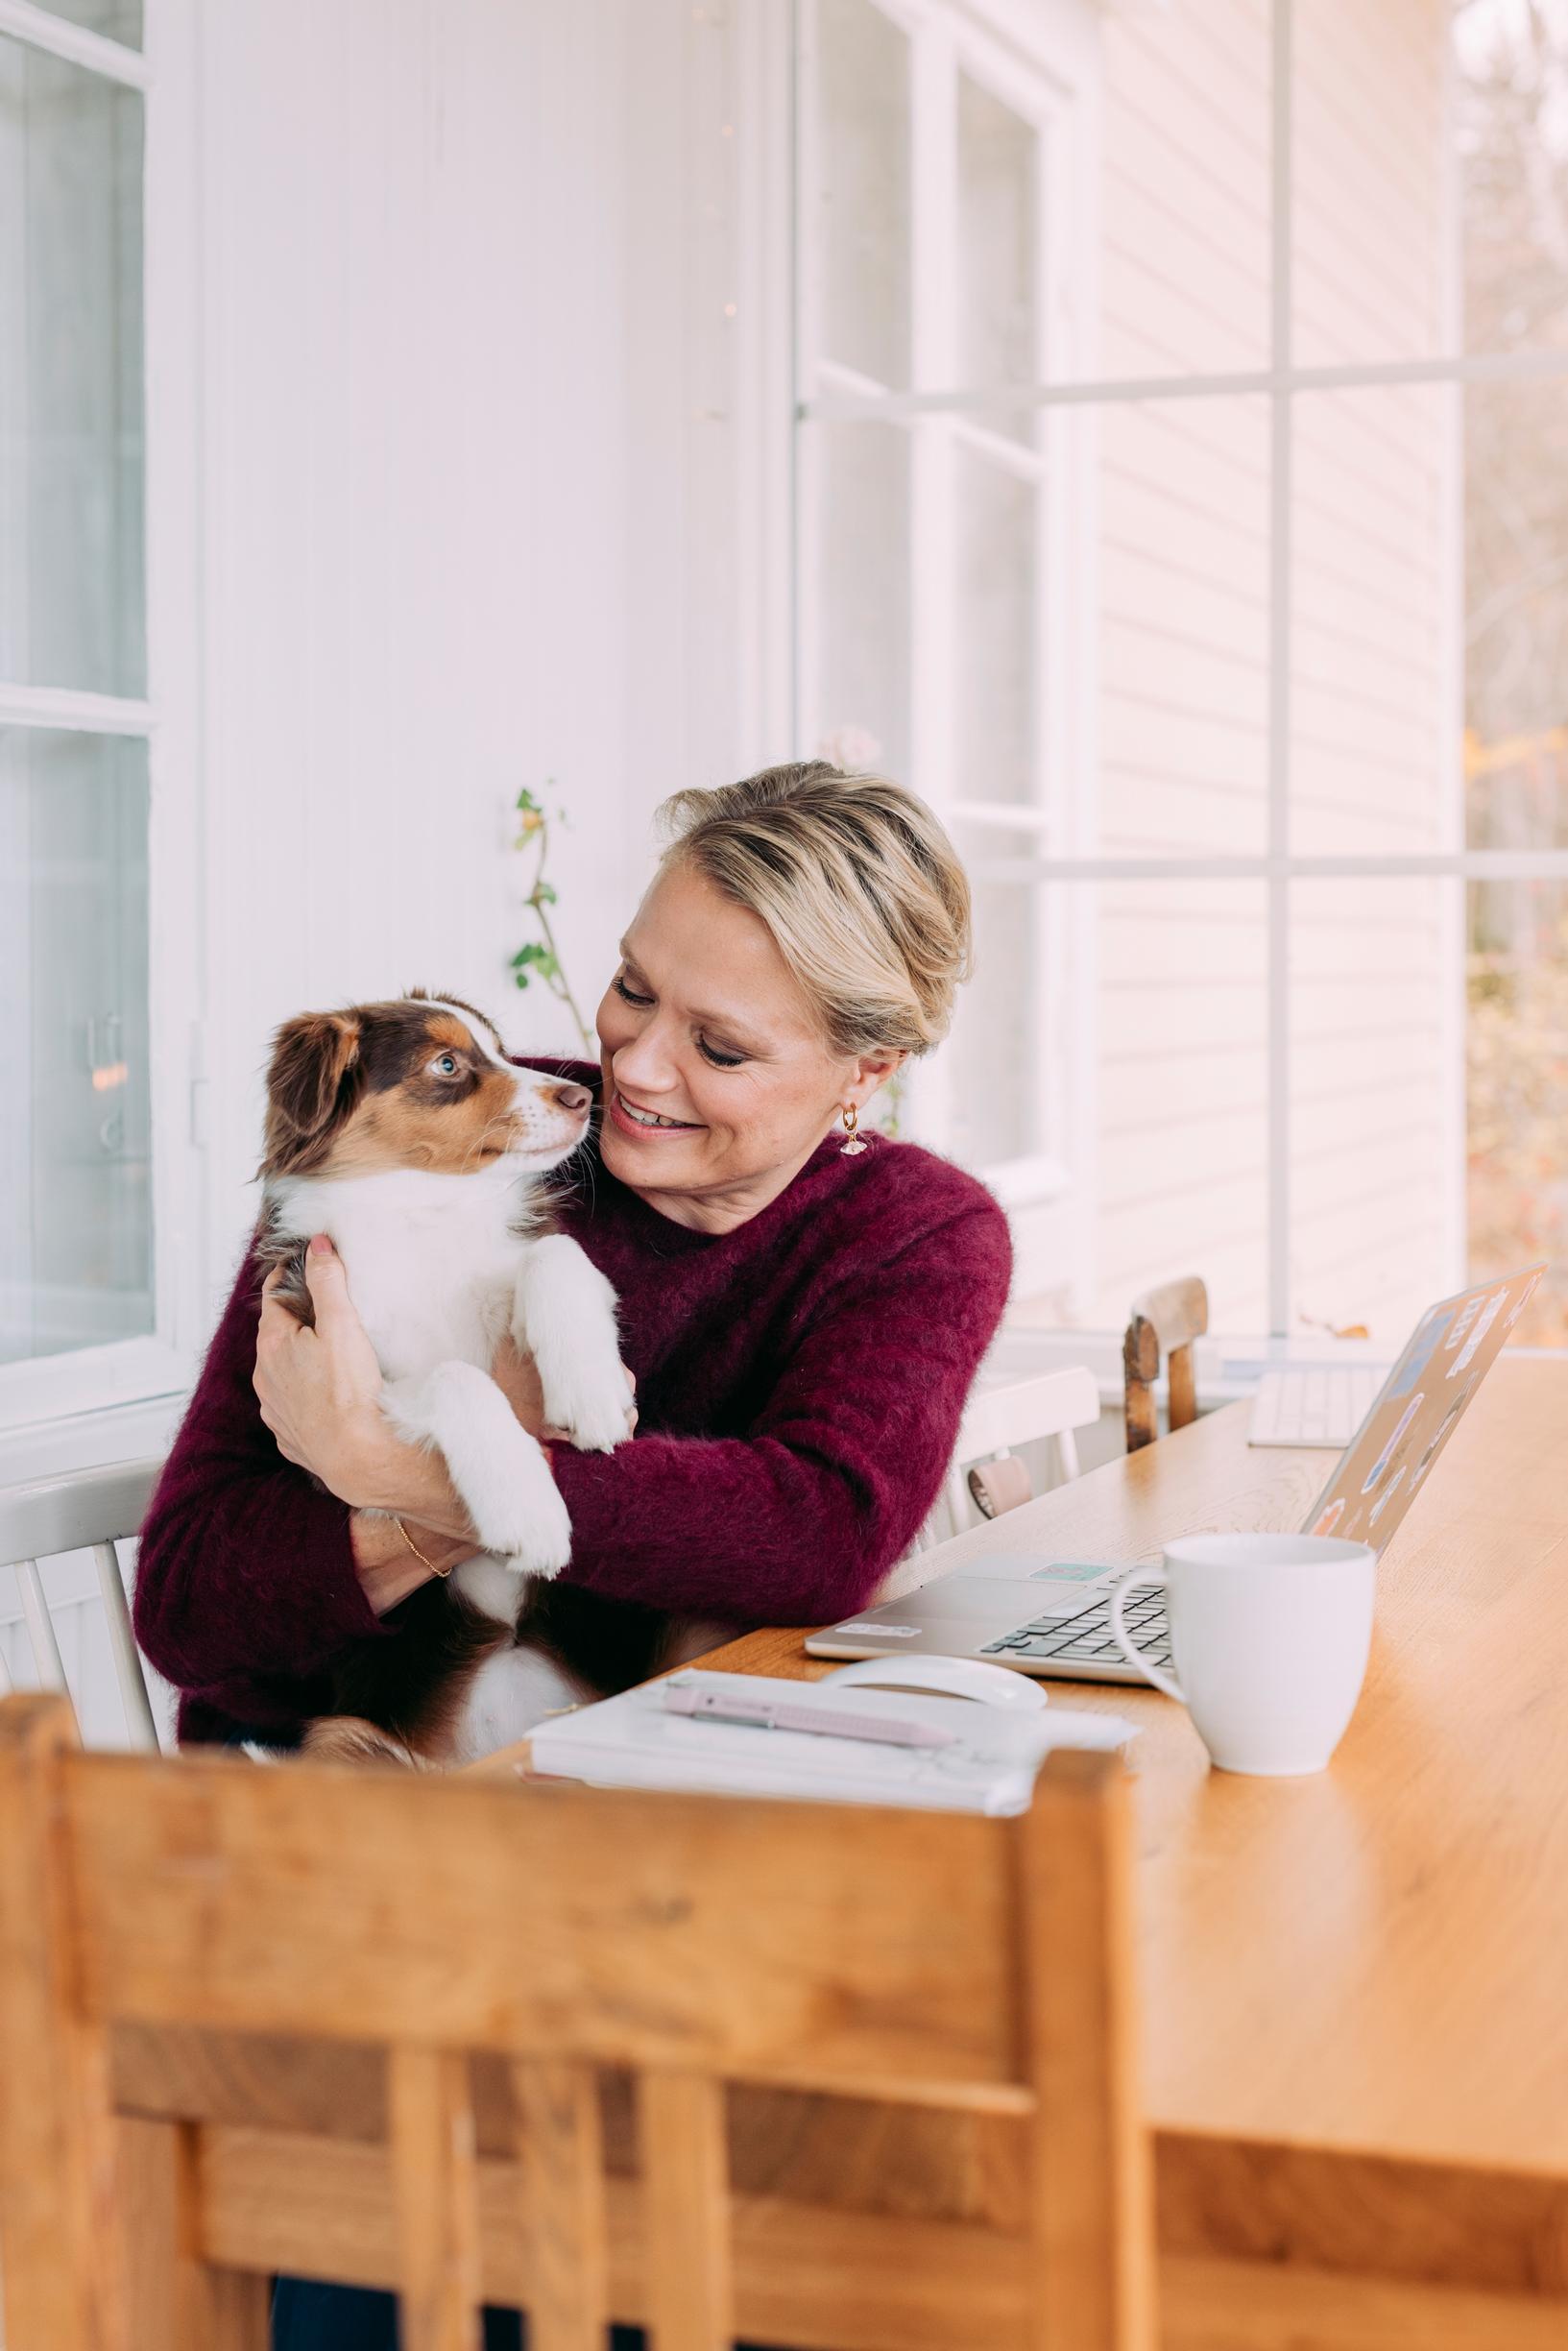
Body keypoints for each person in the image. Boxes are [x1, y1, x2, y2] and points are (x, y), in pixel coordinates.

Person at [135, 760, 1013, 2349]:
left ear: (861, 1072)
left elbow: (821, 1528)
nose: (634, 1066)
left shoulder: (913, 1235)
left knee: (843, 2217)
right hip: (345, 1913)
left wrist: (393, 1468)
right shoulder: (432, 1141)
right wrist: (417, 1503)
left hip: (663, 1921)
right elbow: (192, 1599)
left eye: (721, 1044)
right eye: (630, 989)